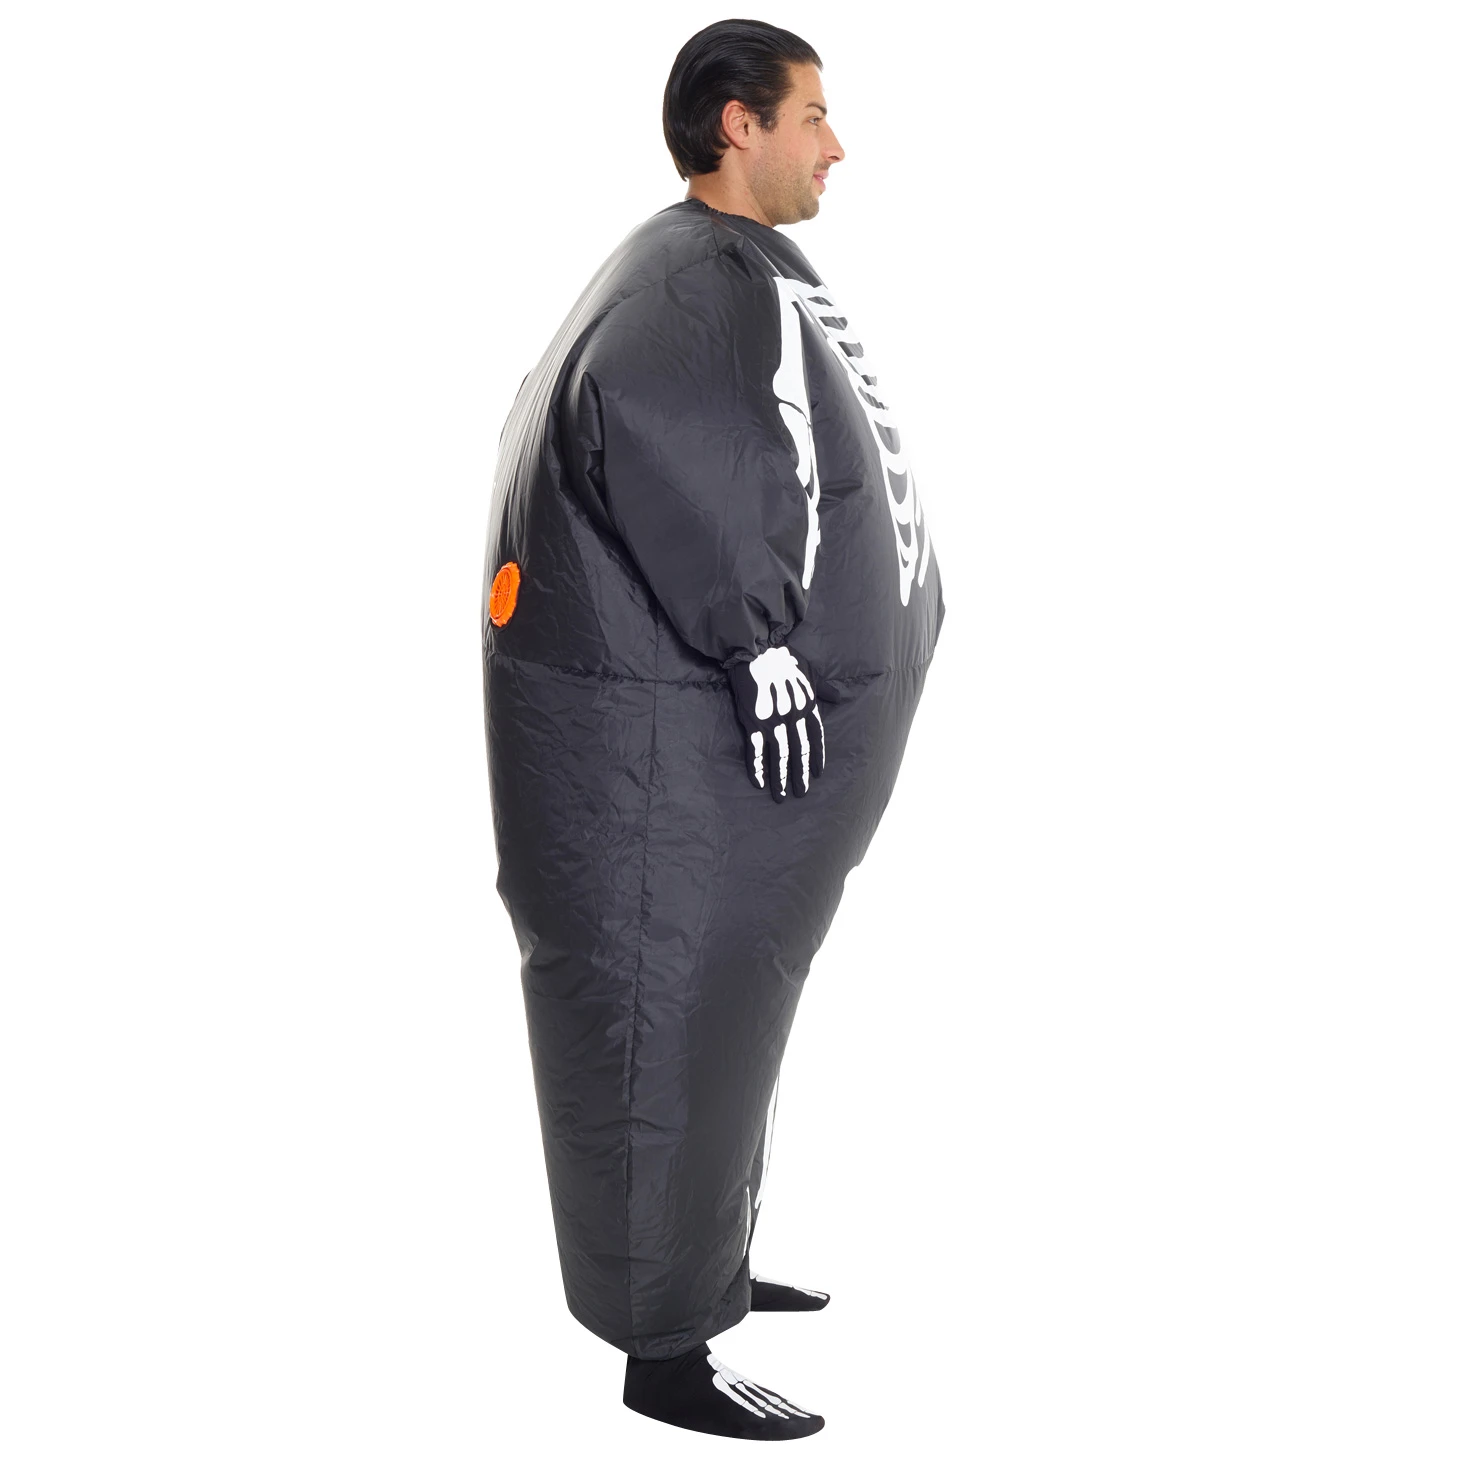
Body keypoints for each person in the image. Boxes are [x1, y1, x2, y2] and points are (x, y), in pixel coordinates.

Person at [480, 18, 944, 1440]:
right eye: (811, 115)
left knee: (722, 1009)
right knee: (660, 1010)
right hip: (654, 761)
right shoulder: (689, 284)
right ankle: (663, 1347)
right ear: (736, 124)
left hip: (693, 756)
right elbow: (674, 444)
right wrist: (761, 643)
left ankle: (703, 1262)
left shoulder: (723, 271)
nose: (836, 145)